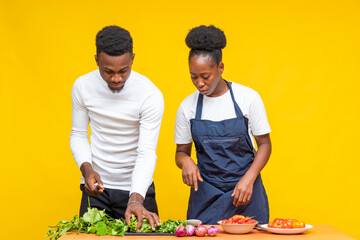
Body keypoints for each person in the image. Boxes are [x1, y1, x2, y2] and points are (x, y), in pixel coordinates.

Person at [174, 25, 272, 224]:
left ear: (220, 68)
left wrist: (249, 178)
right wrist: (185, 162)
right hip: (206, 195)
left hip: (245, 193)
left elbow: (265, 145)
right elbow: (181, 152)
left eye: (205, 76)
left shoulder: (248, 98)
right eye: (194, 76)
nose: (199, 83)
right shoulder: (187, 107)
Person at [70, 25, 164, 231]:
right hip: (96, 189)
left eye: (123, 71)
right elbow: (78, 134)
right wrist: (87, 171)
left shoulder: (150, 94)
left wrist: (137, 198)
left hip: (136, 190)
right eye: (107, 71)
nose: (116, 78)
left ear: (132, 59)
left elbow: (147, 152)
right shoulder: (82, 86)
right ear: (97, 60)